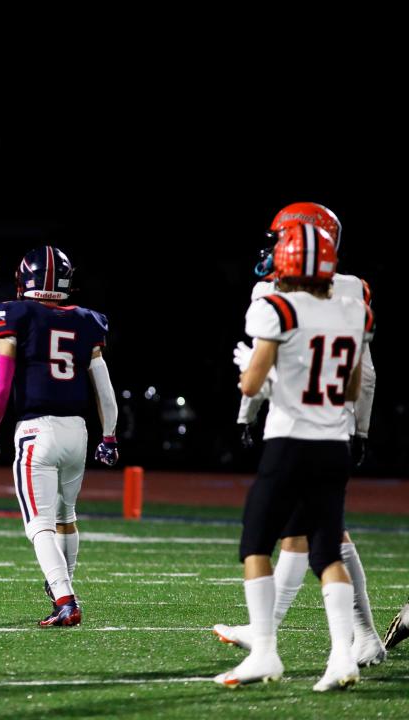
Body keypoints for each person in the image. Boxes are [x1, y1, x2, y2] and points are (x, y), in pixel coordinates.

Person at [214, 202, 386, 668]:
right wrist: (361, 426)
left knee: (296, 532)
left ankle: (273, 637)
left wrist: (244, 415)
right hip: (338, 418)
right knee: (314, 531)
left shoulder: (272, 296)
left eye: (279, 238)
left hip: (295, 423)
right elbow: (362, 374)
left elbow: (257, 371)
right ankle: (358, 637)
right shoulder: (353, 292)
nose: (272, 247)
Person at [0, 246, 118, 627]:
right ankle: (62, 588)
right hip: (79, 431)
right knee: (65, 516)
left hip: (36, 431)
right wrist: (109, 436)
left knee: (38, 523)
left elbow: (3, 378)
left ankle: (65, 599)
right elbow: (104, 387)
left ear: (25, 279)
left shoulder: (15, 312)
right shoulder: (89, 319)